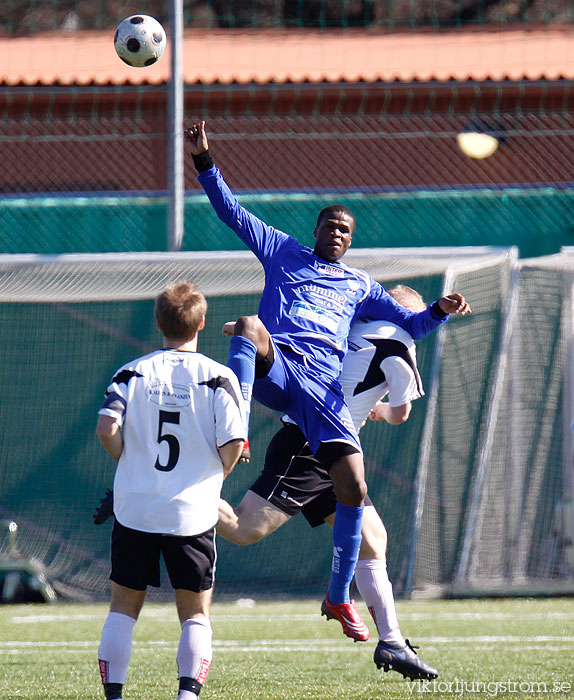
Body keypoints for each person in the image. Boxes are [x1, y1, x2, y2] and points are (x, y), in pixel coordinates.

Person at [184, 120, 471, 641]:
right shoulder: (283, 251)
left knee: (356, 498)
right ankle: (237, 428)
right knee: (250, 326)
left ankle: (344, 600)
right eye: (330, 226)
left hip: (322, 394)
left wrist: (440, 310)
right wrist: (205, 160)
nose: (337, 233)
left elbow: (411, 325)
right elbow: (231, 212)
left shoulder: (361, 285)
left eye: (346, 230)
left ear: (351, 241)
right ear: (315, 230)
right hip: (280, 370)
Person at [217, 285, 438, 680]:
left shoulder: (349, 321)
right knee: (241, 529)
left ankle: (392, 642)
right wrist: (381, 411)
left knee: (374, 541)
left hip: (325, 446)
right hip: (310, 446)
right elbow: (401, 413)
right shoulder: (401, 343)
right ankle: (168, 493)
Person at [95, 281, 246, 700]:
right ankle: (187, 696)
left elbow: (108, 427)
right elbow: (234, 443)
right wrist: (215, 476)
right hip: (193, 512)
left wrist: (130, 465)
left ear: (158, 321)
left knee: (123, 609)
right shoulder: (219, 376)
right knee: (195, 613)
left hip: (135, 507)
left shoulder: (131, 371)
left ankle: (114, 696)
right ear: (201, 323)